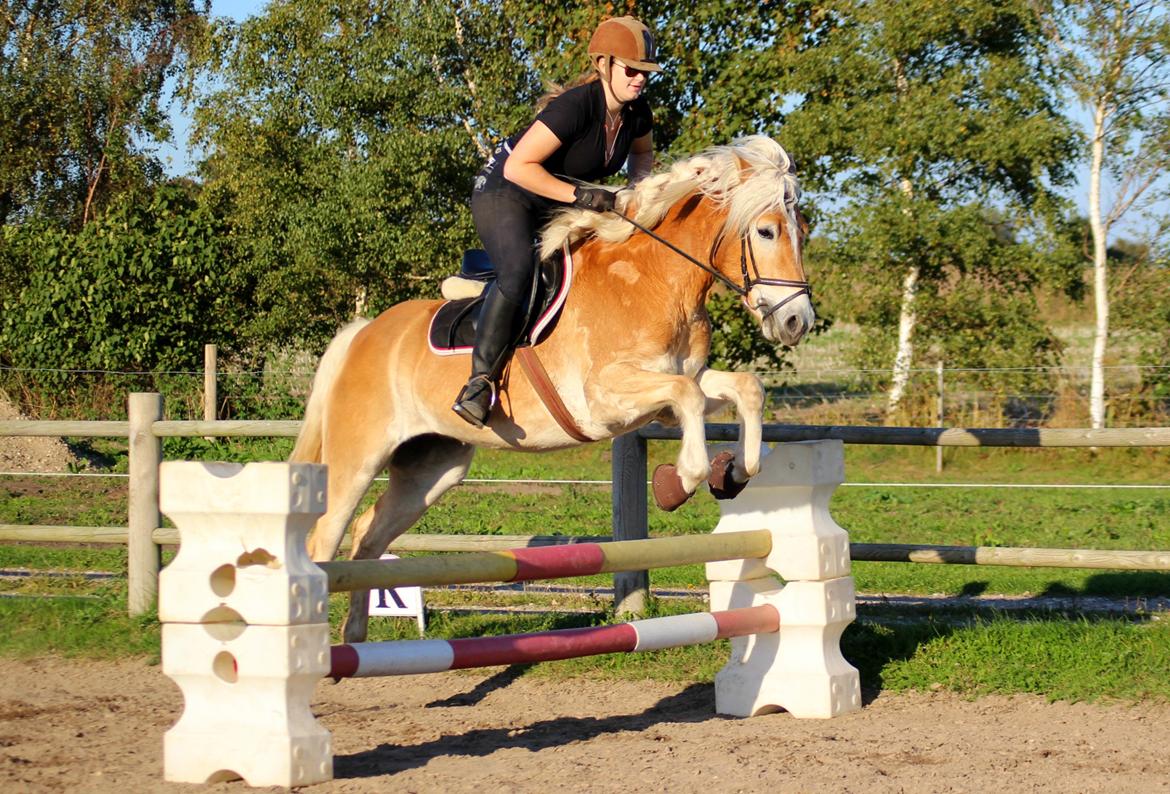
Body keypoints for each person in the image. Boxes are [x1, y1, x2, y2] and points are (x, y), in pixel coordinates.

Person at [451, 15, 660, 428]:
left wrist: (641, 195)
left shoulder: (638, 115)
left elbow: (642, 157)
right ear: (604, 64)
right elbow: (518, 168)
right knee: (519, 272)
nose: (639, 80)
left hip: (553, 199)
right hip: (505, 192)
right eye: (631, 70)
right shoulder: (575, 107)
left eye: (646, 73)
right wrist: (581, 195)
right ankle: (478, 383)